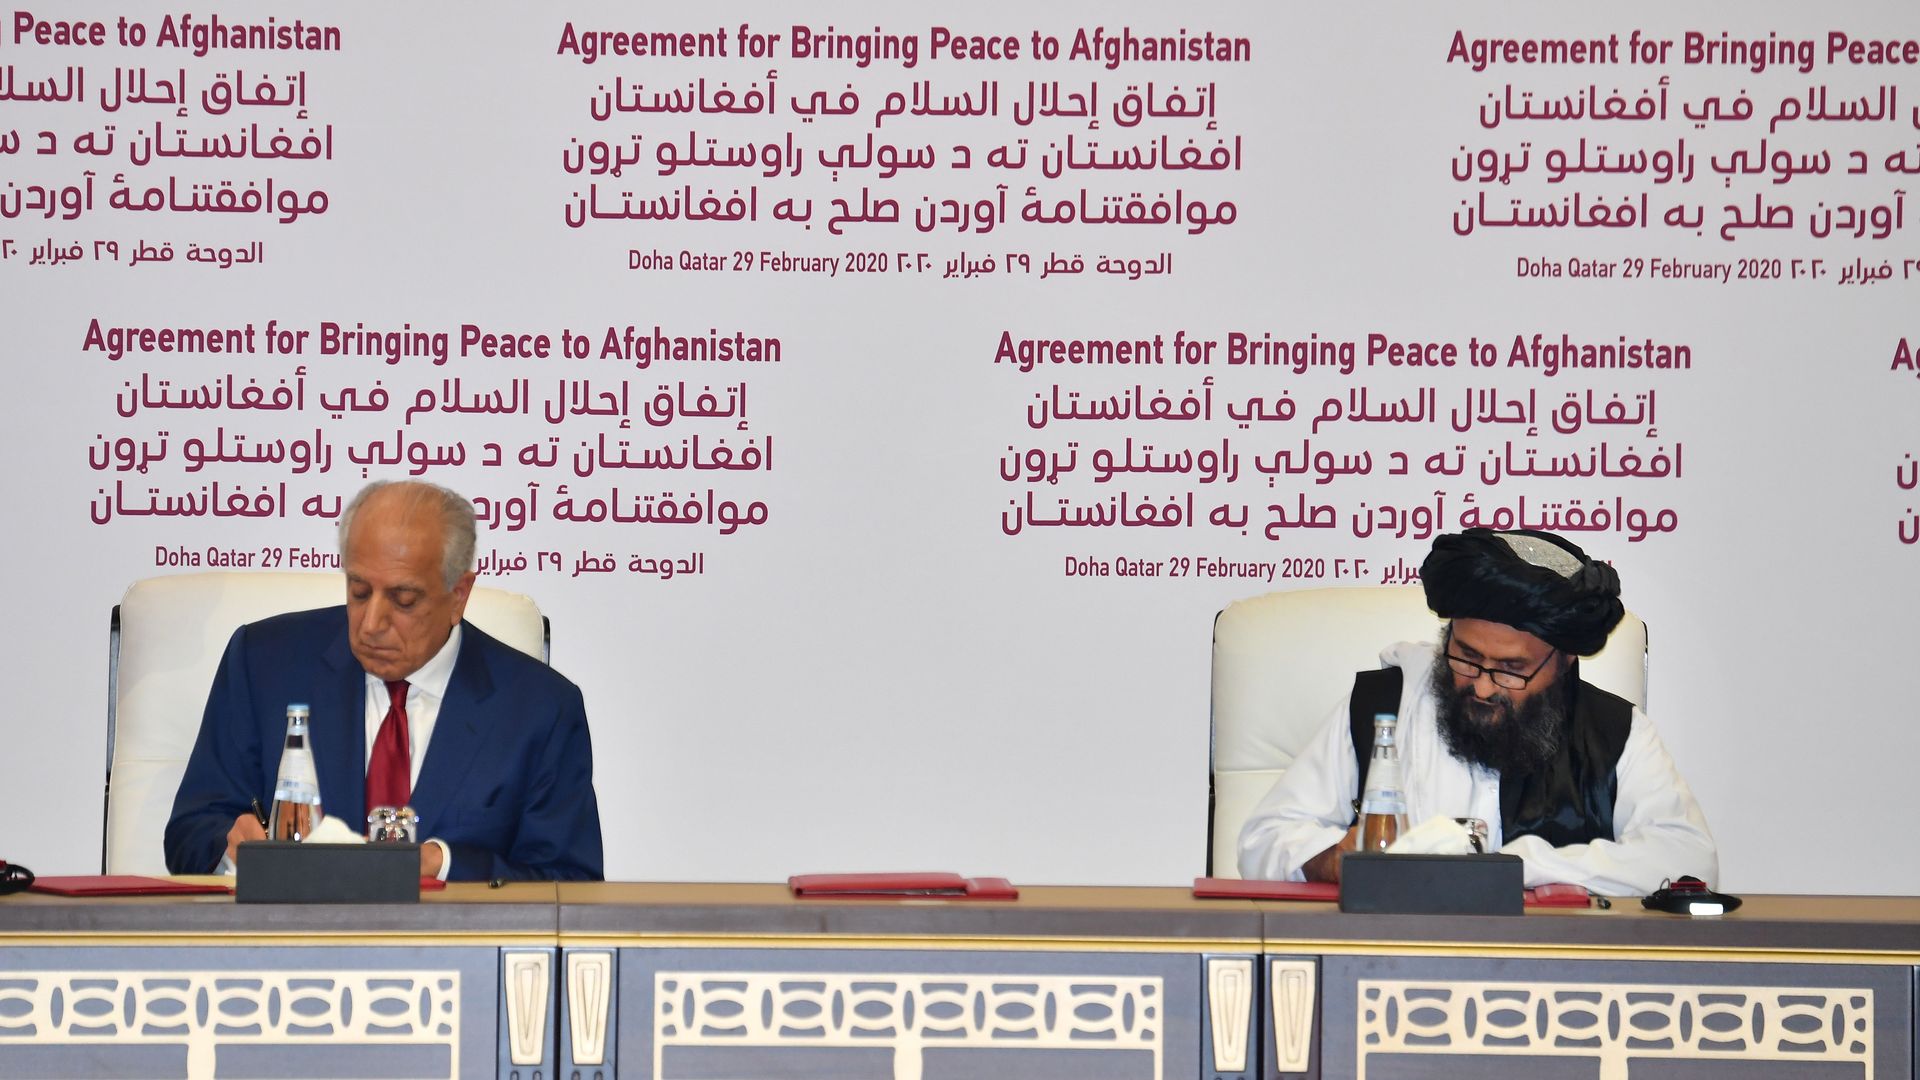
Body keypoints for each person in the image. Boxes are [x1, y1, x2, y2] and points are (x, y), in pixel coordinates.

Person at [165, 480, 603, 881]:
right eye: (358, 592)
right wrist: (230, 847)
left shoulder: (540, 709)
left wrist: (445, 864)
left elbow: (570, 884)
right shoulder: (265, 664)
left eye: (404, 599)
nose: (372, 623)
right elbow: (190, 834)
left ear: (458, 597)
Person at [1237, 528, 1714, 895]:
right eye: (1466, 657)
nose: (1483, 686)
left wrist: (1513, 867)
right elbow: (1263, 841)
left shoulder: (1617, 732)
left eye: (1511, 670)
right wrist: (1332, 861)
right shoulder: (1384, 706)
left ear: (1565, 660)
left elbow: (1689, 861)